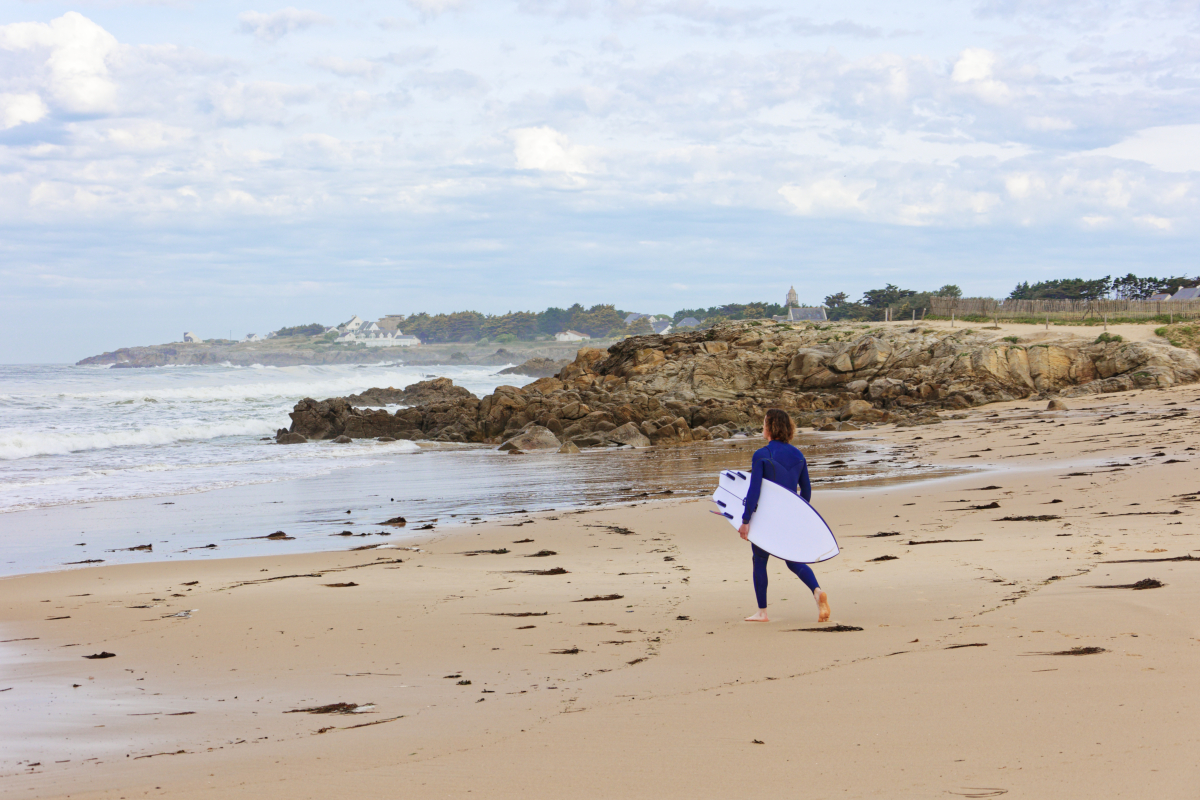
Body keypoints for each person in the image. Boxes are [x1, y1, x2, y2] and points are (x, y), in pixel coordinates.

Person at [737, 408, 831, 623]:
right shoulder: (798, 455)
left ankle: (762, 612)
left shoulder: (761, 455)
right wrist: (797, 515)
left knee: (760, 560)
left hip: (766, 518)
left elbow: (754, 491)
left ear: (771, 427)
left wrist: (745, 520)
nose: (762, 427)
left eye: (764, 423)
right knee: (792, 560)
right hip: (788, 518)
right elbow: (806, 491)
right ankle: (817, 592)